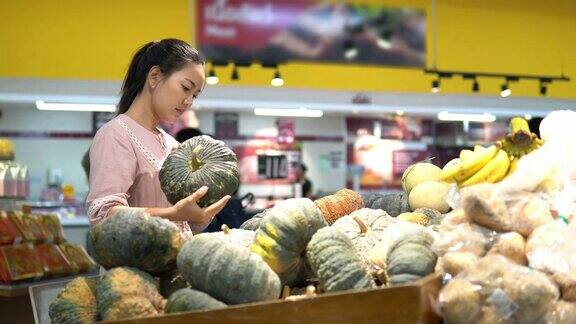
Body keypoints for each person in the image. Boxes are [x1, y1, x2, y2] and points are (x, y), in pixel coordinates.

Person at [86, 39, 230, 238]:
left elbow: (183, 226)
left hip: (175, 265)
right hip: (133, 268)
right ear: (154, 77)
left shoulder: (173, 145)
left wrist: (200, 215)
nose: (188, 102)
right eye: (186, 87)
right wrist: (173, 214)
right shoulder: (116, 134)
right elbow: (104, 217)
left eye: (195, 95)